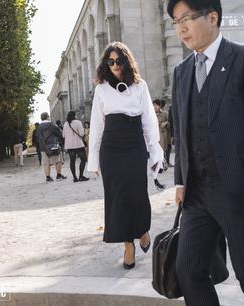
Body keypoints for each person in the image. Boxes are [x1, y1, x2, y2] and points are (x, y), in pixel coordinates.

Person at [168, 1, 244, 305]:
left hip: (242, 191)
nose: (181, 27)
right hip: (197, 194)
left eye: (187, 19)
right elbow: (181, 131)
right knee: (188, 270)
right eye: (175, 21)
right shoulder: (181, 72)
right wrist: (180, 180)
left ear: (213, 17)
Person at [87, 41, 163, 270]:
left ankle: (142, 229)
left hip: (134, 144)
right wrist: (94, 157)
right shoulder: (101, 89)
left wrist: (155, 147)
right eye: (110, 61)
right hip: (111, 148)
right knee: (117, 196)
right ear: (105, 64)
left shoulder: (140, 86)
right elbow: (97, 126)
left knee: (138, 191)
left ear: (126, 61)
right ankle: (128, 244)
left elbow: (149, 120)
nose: (115, 65)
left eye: (119, 61)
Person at [37, 112, 67, 182]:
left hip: (43, 147)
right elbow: (60, 134)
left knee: (46, 163)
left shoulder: (39, 128)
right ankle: (58, 175)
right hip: (53, 146)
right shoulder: (52, 126)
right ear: (47, 117)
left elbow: (38, 138)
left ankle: (48, 177)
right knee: (58, 161)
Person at [63, 111, 89, 182]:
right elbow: (82, 133)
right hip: (78, 144)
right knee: (83, 160)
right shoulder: (78, 122)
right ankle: (81, 176)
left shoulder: (65, 124)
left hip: (70, 145)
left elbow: (63, 135)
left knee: (72, 161)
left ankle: (75, 178)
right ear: (75, 115)